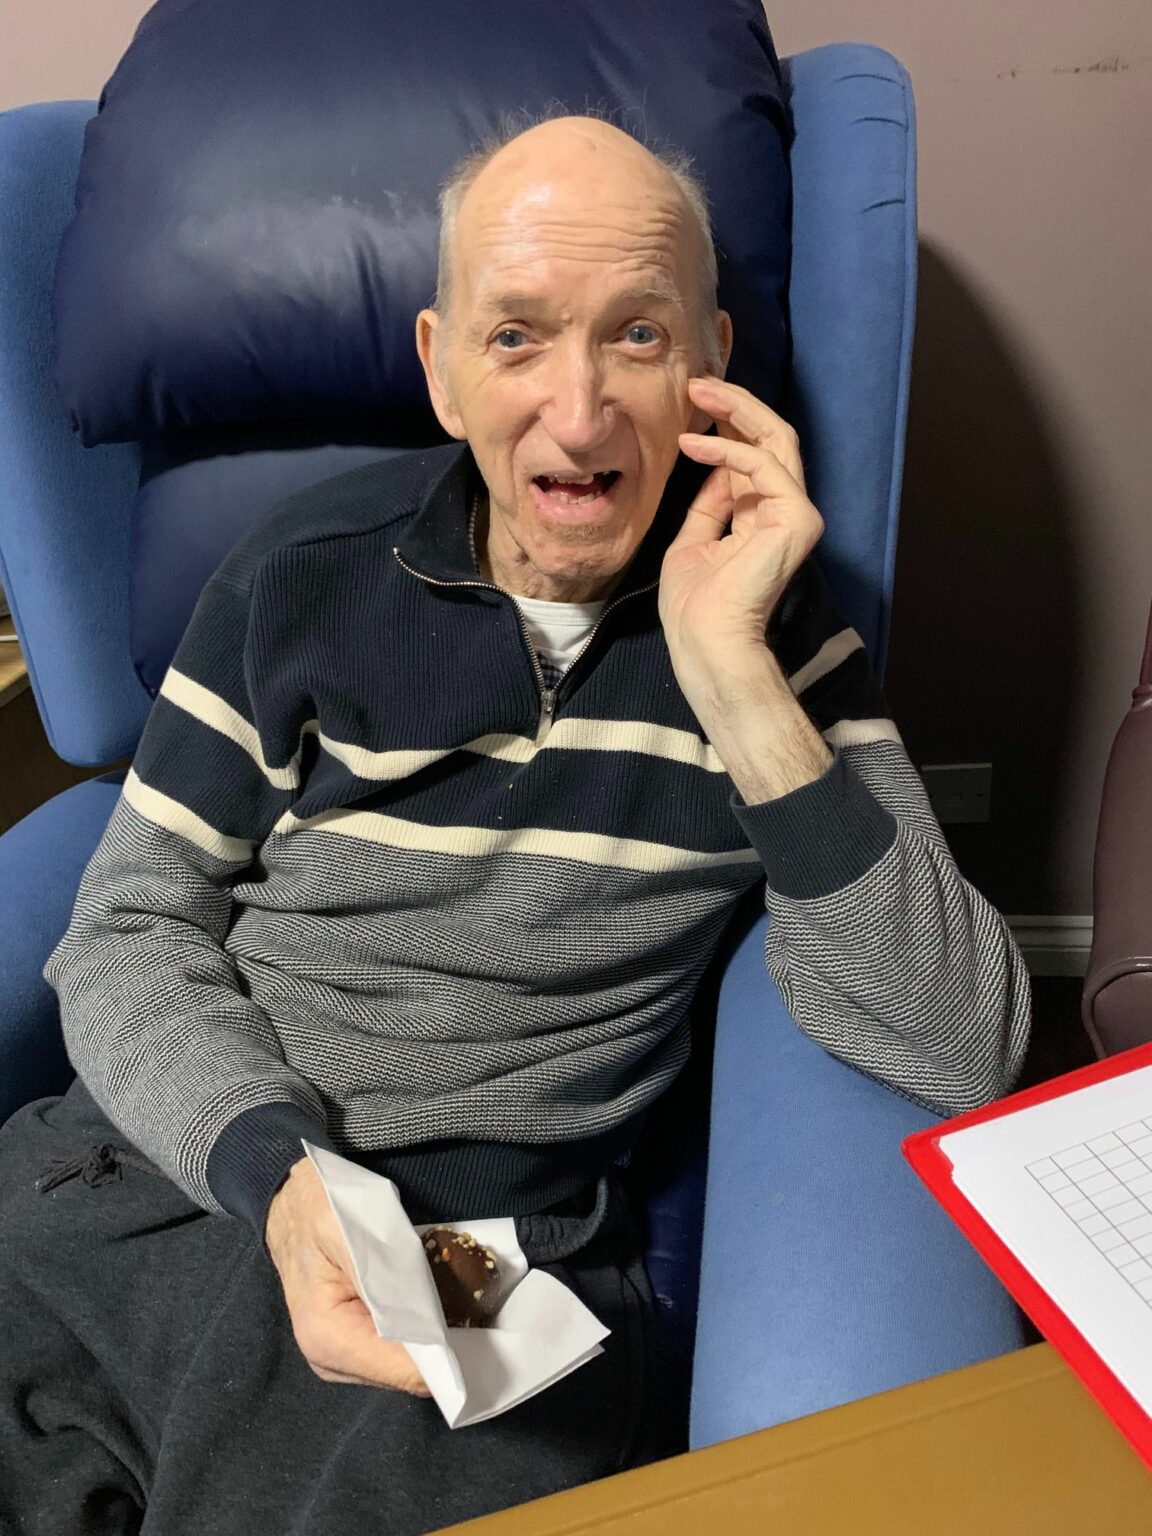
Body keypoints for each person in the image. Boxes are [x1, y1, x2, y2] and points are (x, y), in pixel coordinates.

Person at [0, 115, 1031, 1534]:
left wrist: (735, 678)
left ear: (712, 362)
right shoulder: (296, 576)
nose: (581, 412)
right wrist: (278, 1176)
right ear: (440, 367)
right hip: (156, 1180)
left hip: (473, 1263)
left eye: (638, 336)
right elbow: (127, 927)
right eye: (517, 337)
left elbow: (960, 1044)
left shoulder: (774, 639)